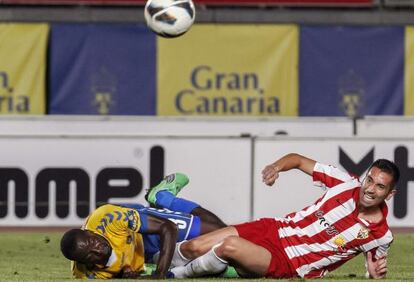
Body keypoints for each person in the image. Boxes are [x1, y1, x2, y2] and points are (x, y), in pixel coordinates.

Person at [169, 153, 399, 279]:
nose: (370, 189)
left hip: (289, 262)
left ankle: (173, 276)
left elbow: (375, 271)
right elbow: (297, 160)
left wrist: (374, 273)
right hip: (274, 228)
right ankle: (150, 265)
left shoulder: (380, 235)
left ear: (389, 194)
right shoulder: (344, 183)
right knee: (194, 247)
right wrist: (275, 167)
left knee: (229, 245)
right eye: (370, 180)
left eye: (380, 187)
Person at [60, 173, 226, 279]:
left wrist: (160, 274)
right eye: (90, 255)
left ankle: (162, 196)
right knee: (208, 252)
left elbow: (168, 228)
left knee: (219, 230)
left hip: (145, 229)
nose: (97, 250)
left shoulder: (109, 219)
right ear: (83, 262)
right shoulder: (87, 274)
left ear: (91, 232)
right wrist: (126, 274)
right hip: (141, 255)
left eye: (93, 242)